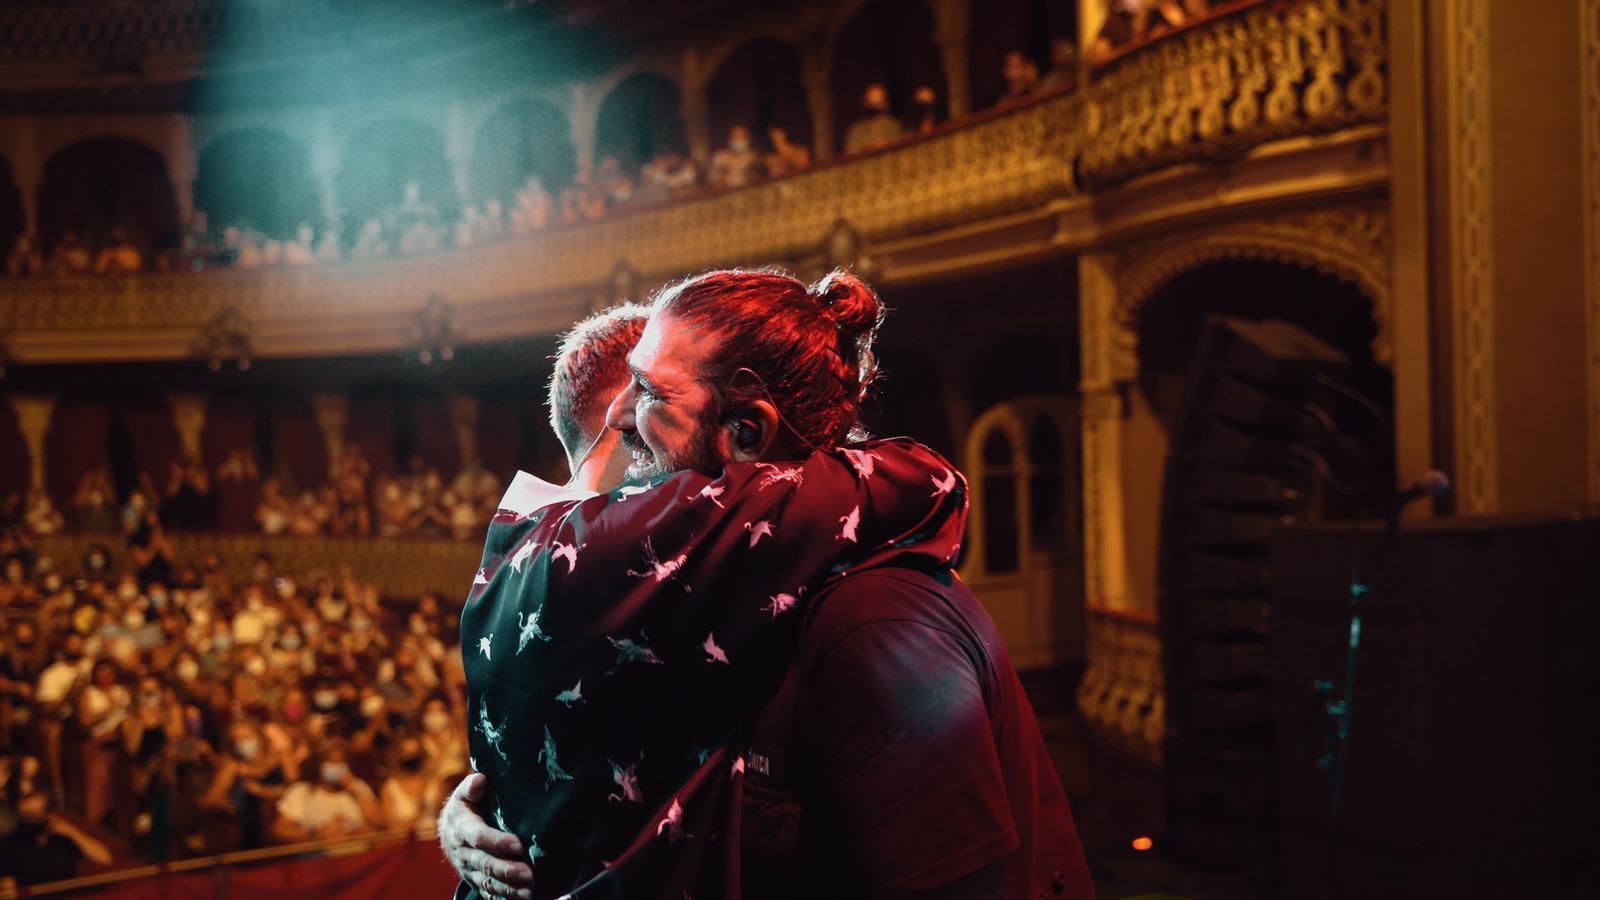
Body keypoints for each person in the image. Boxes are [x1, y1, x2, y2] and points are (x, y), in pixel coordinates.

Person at [440, 270, 1092, 900]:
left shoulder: (875, 621)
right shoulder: (715, 593)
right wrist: (489, 806)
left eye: (651, 393)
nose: (622, 415)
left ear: (745, 430)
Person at [0, 787, 112, 886]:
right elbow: (7, 883)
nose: (31, 819)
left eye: (37, 814)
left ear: (49, 814)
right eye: (26, 814)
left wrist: (72, 832)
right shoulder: (11, 841)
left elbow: (104, 858)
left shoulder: (60, 838)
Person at [843, 83, 905, 154]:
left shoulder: (896, 127)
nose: (874, 108)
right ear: (864, 103)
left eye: (878, 104)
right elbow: (850, 155)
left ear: (886, 104)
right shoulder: (856, 131)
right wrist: (867, 150)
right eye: (870, 104)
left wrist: (887, 146)